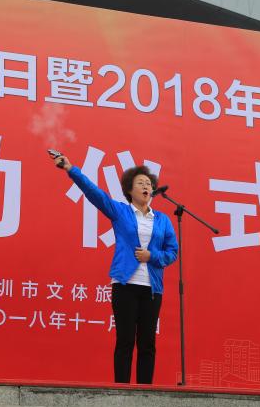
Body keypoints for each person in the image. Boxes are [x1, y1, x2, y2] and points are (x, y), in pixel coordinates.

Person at [50, 151, 178, 384]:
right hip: (125, 284)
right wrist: (71, 169)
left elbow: (172, 252)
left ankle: (145, 393)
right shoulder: (120, 211)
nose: (146, 186)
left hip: (152, 288)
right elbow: (95, 194)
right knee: (125, 340)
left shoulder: (162, 220)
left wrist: (152, 256)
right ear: (129, 190)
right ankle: (122, 392)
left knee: (147, 343)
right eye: (140, 183)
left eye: (148, 184)